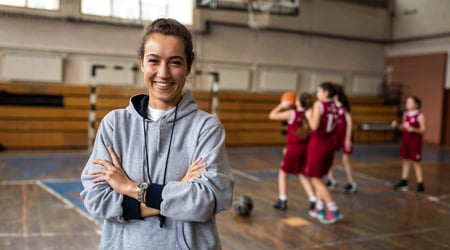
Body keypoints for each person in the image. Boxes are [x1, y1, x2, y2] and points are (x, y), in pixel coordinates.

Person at [80, 18, 234, 250]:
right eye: (154, 61)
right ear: (142, 63)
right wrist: (179, 187)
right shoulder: (115, 125)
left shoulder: (206, 129)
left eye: (174, 62)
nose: (163, 73)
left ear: (189, 66)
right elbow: (97, 200)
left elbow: (203, 202)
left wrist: (130, 188)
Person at [303, 82, 343, 224]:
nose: (317, 94)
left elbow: (314, 126)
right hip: (329, 143)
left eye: (319, 91)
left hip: (318, 143)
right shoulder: (335, 106)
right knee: (320, 176)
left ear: (326, 93)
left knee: (315, 178)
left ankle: (333, 209)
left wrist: (308, 115)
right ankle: (319, 208)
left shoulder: (319, 105)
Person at [269, 93, 316, 212]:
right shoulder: (310, 114)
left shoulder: (293, 114)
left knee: (283, 172)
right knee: (303, 175)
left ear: (298, 102)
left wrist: (281, 105)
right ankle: (313, 200)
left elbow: (272, 115)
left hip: (294, 148)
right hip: (306, 148)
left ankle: (282, 200)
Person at [326, 85, 357, 194]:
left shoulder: (344, 106)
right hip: (335, 135)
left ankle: (351, 182)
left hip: (345, 135)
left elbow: (349, 123)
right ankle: (331, 179)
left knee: (345, 159)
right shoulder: (331, 106)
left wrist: (348, 138)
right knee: (330, 157)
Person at [391, 96, 426, 193]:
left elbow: (423, 130)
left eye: (410, 102)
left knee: (416, 162)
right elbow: (404, 127)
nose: (407, 104)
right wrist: (397, 125)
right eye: (407, 102)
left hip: (415, 141)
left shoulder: (419, 115)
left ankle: (420, 184)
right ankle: (404, 181)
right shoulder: (405, 114)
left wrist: (414, 129)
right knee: (405, 160)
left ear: (416, 104)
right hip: (406, 140)